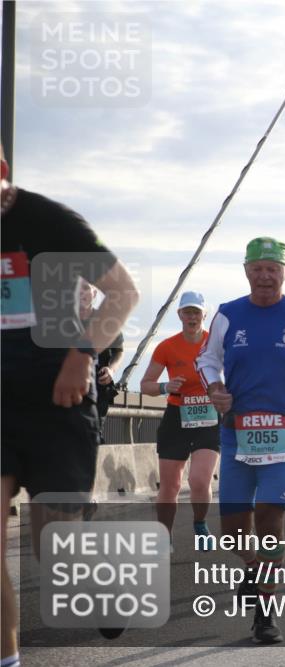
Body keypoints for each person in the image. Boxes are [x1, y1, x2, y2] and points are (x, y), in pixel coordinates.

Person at [2, 146, 140, 660]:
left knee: (53, 548)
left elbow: (123, 294)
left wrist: (83, 355)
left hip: (57, 402)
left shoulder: (48, 221)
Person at [196, 237, 285, 644]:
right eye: (257, 268)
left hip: (284, 430)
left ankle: (266, 613)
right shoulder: (228, 314)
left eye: (272, 269)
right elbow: (207, 359)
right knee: (233, 530)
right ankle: (255, 567)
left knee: (270, 518)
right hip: (236, 431)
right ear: (246, 271)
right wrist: (214, 389)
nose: (264, 275)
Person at [139, 291, 220, 547]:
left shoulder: (216, 344)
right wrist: (166, 387)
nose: (192, 317)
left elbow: (236, 374)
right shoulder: (167, 347)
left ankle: (200, 521)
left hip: (208, 415)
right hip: (177, 416)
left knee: (199, 480)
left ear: (204, 315)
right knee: (171, 485)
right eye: (188, 312)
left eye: (197, 312)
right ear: (180, 315)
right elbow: (146, 385)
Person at [79, 281, 125, 440]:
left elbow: (119, 351)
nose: (80, 292)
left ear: (94, 294)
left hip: (98, 386)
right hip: (68, 386)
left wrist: (111, 370)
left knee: (93, 435)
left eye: (85, 288)